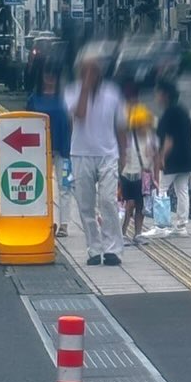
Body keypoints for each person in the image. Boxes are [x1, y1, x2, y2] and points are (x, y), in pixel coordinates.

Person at [64, 58, 127, 266]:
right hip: (81, 154)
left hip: (108, 153)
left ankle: (112, 249)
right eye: (85, 71)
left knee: (108, 201)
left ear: (100, 73)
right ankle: (94, 249)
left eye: (94, 71)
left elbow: (120, 125)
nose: (90, 75)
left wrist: (124, 154)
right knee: (86, 204)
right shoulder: (72, 91)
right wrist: (85, 88)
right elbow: (79, 114)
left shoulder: (113, 93)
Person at [27, 60, 72, 237]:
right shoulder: (34, 98)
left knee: (65, 186)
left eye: (54, 74)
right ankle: (47, 221)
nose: (50, 77)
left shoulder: (66, 97)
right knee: (43, 187)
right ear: (41, 75)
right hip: (40, 150)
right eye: (47, 73)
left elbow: (72, 122)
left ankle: (64, 224)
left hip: (64, 149)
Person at [155, 79, 191, 237]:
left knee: (162, 189)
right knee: (182, 190)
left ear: (165, 95)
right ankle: (181, 226)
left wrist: (161, 157)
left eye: (158, 93)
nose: (156, 97)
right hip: (186, 157)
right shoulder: (182, 110)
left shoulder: (169, 113)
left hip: (172, 158)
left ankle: (161, 225)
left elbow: (169, 140)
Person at [121, 104, 157, 244]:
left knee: (141, 206)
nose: (145, 127)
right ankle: (122, 232)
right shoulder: (129, 138)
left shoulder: (150, 138)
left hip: (144, 177)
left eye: (147, 124)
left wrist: (155, 177)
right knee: (129, 205)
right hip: (127, 175)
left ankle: (138, 233)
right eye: (142, 125)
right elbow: (122, 157)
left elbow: (155, 157)